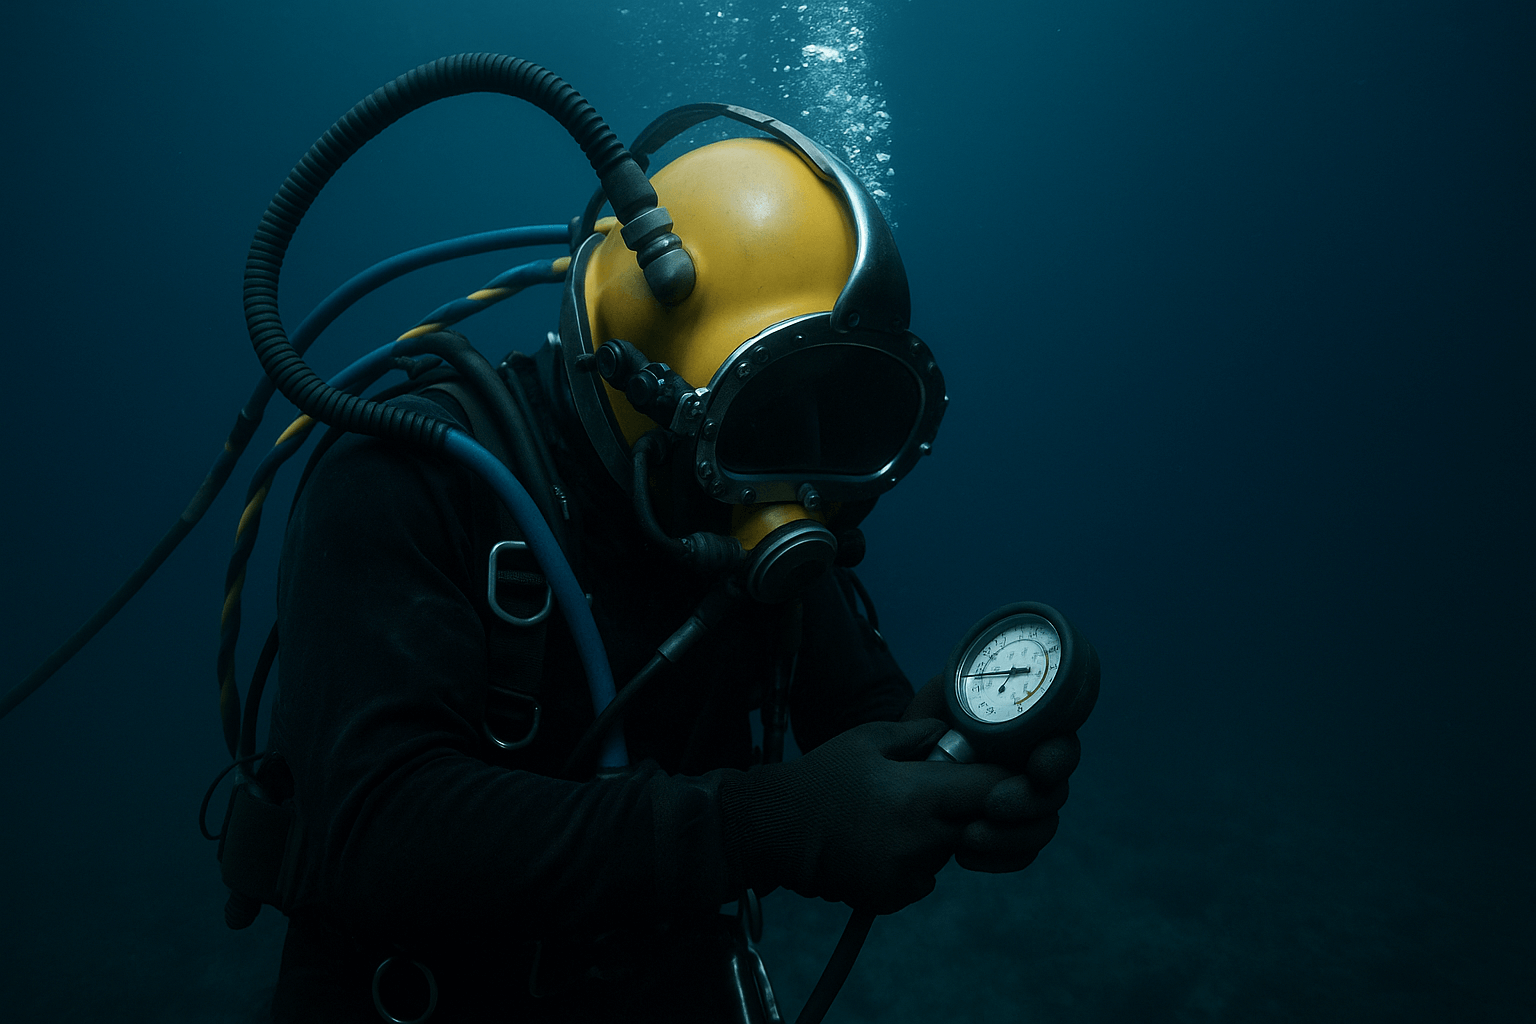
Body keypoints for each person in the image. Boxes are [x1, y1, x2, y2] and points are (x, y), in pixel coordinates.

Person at [261, 107, 1081, 1023]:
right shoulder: (406, 478)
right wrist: (761, 826)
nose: (807, 485)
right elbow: (376, 833)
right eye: (769, 418)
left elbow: (857, 725)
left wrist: (945, 770)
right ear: (653, 390)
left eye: (847, 415)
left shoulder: (756, 506)